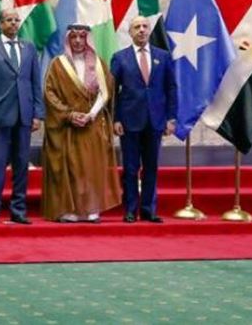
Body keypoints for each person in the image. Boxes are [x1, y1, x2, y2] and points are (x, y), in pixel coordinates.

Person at [40, 24, 121, 223]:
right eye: (74, 37)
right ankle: (69, 210)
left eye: (82, 37)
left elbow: (105, 91)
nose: (77, 41)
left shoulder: (99, 64)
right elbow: (49, 93)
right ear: (68, 40)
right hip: (67, 127)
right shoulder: (58, 64)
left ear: (87, 40)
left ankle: (91, 209)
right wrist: (69, 115)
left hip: (91, 125)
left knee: (90, 167)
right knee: (70, 169)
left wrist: (91, 115)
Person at [0, 9, 43, 225]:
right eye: (9, 20)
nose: (14, 23)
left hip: (24, 116)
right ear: (0, 24)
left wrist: (38, 113)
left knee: (22, 165)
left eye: (16, 20)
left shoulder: (29, 48)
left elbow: (35, 82)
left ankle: (18, 209)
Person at [111, 16, 176, 223]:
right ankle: (130, 209)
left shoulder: (163, 56)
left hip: (155, 121)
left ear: (149, 30)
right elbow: (113, 92)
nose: (141, 30)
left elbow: (171, 88)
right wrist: (115, 119)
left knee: (151, 168)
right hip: (129, 122)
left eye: (145, 26)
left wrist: (171, 118)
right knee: (130, 169)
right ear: (130, 32)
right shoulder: (120, 57)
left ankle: (149, 209)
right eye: (137, 27)